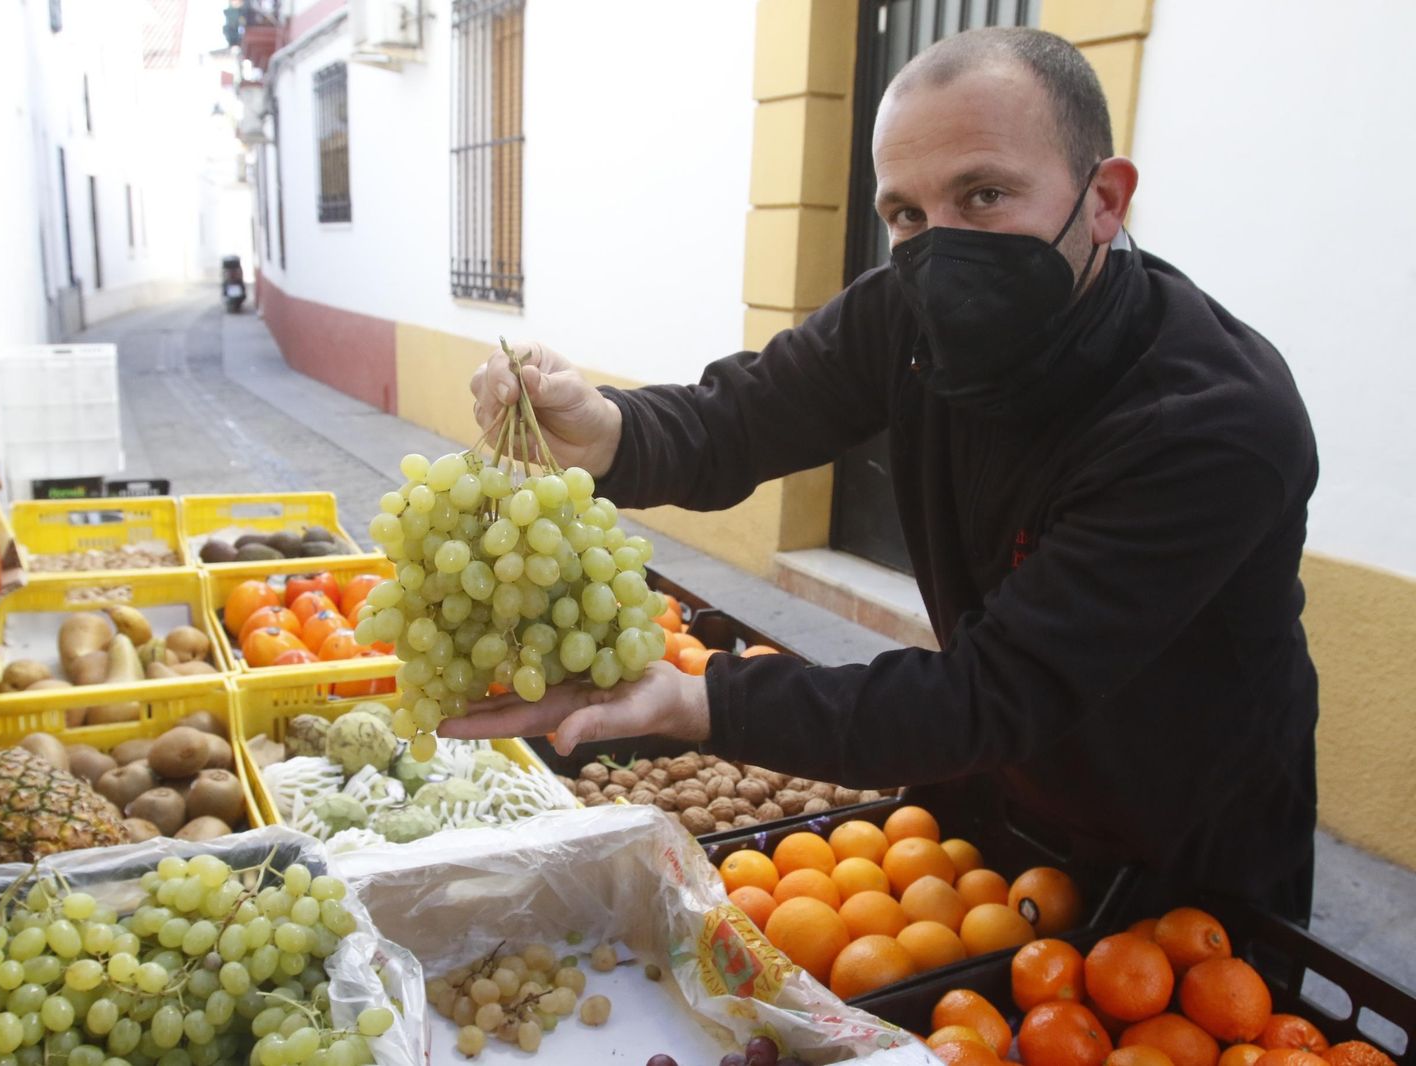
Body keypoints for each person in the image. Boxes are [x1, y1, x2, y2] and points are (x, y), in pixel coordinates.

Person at [444, 27, 1319, 921]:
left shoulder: (1213, 426)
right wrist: (614, 433)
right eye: (906, 213)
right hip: (990, 803)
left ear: (1104, 201)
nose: (941, 251)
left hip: (1183, 848)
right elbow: (742, 414)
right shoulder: (903, 313)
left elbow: (992, 691)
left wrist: (696, 698)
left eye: (983, 195)